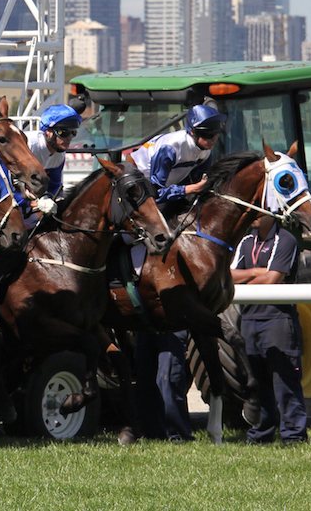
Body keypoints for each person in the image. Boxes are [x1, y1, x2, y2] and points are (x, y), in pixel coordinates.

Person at [127, 104, 224, 442]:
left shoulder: (203, 149)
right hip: (137, 190)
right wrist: (188, 192)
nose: (211, 141)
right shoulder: (171, 146)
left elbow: (203, 187)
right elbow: (154, 192)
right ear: (192, 131)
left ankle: (172, 432)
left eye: (214, 136)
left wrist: (195, 195)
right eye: (206, 135)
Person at [232, 215, 308, 444]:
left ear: (272, 212)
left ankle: (293, 437)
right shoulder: (246, 241)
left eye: (258, 210)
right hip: (249, 318)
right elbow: (228, 276)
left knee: (285, 380)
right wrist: (256, 272)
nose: (251, 214)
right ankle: (261, 435)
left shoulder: (286, 240)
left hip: (278, 318)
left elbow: (272, 279)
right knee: (256, 381)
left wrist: (246, 280)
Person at [130, 104, 225, 209]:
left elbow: (199, 182)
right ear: (193, 132)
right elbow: (156, 193)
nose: (214, 139)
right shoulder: (171, 148)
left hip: (165, 186)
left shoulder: (205, 151)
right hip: (137, 182)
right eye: (209, 134)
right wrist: (192, 189)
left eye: (217, 133)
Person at [23, 103, 81, 221]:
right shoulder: (29, 145)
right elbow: (4, 183)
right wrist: (34, 203)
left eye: (73, 132)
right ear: (48, 132)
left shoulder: (59, 155)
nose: (69, 138)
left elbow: (54, 186)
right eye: (64, 133)